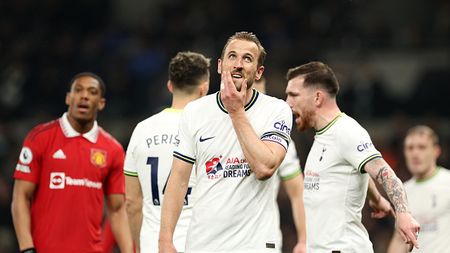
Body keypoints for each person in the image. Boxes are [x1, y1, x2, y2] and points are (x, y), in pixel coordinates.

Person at [159, 31, 293, 253]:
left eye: (247, 59)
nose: (238, 64)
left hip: (255, 244)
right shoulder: (195, 111)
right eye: (232, 56)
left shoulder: (277, 110)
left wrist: (236, 110)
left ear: (259, 72)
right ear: (220, 66)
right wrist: (165, 240)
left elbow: (264, 167)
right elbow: (178, 180)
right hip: (203, 244)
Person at [285, 61, 420, 253]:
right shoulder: (324, 135)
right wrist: (376, 198)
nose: (288, 103)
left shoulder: (346, 131)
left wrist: (403, 213)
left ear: (317, 98)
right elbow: (357, 167)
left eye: (293, 95)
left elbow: (383, 171)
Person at [11, 73, 133, 253]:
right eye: (78, 90)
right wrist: (26, 248)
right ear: (68, 98)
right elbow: (21, 196)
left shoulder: (113, 149)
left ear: (101, 103)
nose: (84, 96)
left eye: (92, 92)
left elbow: (117, 210)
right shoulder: (39, 138)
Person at [124, 51, 210, 253]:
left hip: (153, 245)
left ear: (170, 86)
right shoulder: (208, 131)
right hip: (199, 244)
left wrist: (140, 244)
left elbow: (132, 202)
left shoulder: (142, 130)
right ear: (203, 89)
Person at [253, 77, 306, 253]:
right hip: (216, 238)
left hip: (262, 239)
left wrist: (304, 240)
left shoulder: (278, 139)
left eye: (260, 97)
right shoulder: (214, 130)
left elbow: (297, 192)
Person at [388, 125, 450, 253]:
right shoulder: (401, 191)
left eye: (422, 147)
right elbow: (400, 239)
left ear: (436, 151)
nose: (415, 153)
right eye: (410, 148)